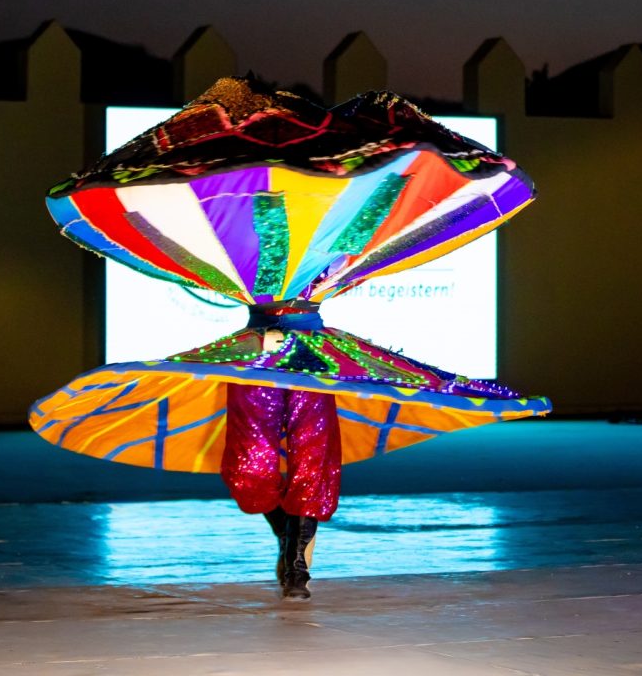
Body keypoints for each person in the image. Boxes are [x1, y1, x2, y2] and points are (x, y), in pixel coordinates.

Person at [31, 76, 550, 599]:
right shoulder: (242, 230)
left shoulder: (343, 224)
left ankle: (296, 561)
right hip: (256, 354)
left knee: (313, 457)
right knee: (251, 465)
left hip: (311, 352)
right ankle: (290, 546)